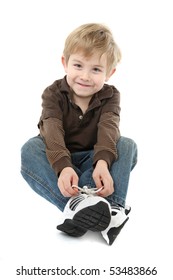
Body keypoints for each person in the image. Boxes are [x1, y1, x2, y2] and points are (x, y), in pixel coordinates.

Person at [21, 23, 137, 245]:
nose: (85, 76)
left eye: (96, 69)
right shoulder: (53, 93)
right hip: (59, 161)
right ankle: (78, 205)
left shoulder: (110, 96)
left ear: (109, 73)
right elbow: (52, 128)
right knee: (30, 148)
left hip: (92, 165)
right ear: (65, 63)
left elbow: (109, 127)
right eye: (78, 65)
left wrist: (102, 163)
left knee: (128, 145)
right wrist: (63, 166)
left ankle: (111, 208)